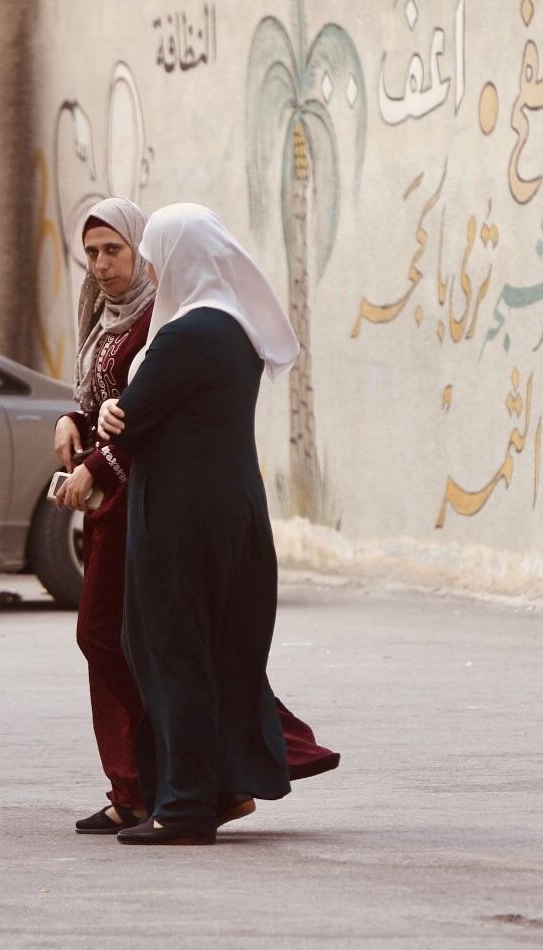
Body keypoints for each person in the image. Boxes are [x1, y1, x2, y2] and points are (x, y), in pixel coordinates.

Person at [54, 198, 337, 838]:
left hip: (183, 518)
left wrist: (108, 420)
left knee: (169, 651)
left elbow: (131, 415)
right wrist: (105, 417)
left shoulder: (189, 335)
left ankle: (182, 807)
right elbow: (127, 413)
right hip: (225, 512)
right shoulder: (233, 328)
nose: (150, 270)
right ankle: (205, 792)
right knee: (202, 653)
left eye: (149, 256)